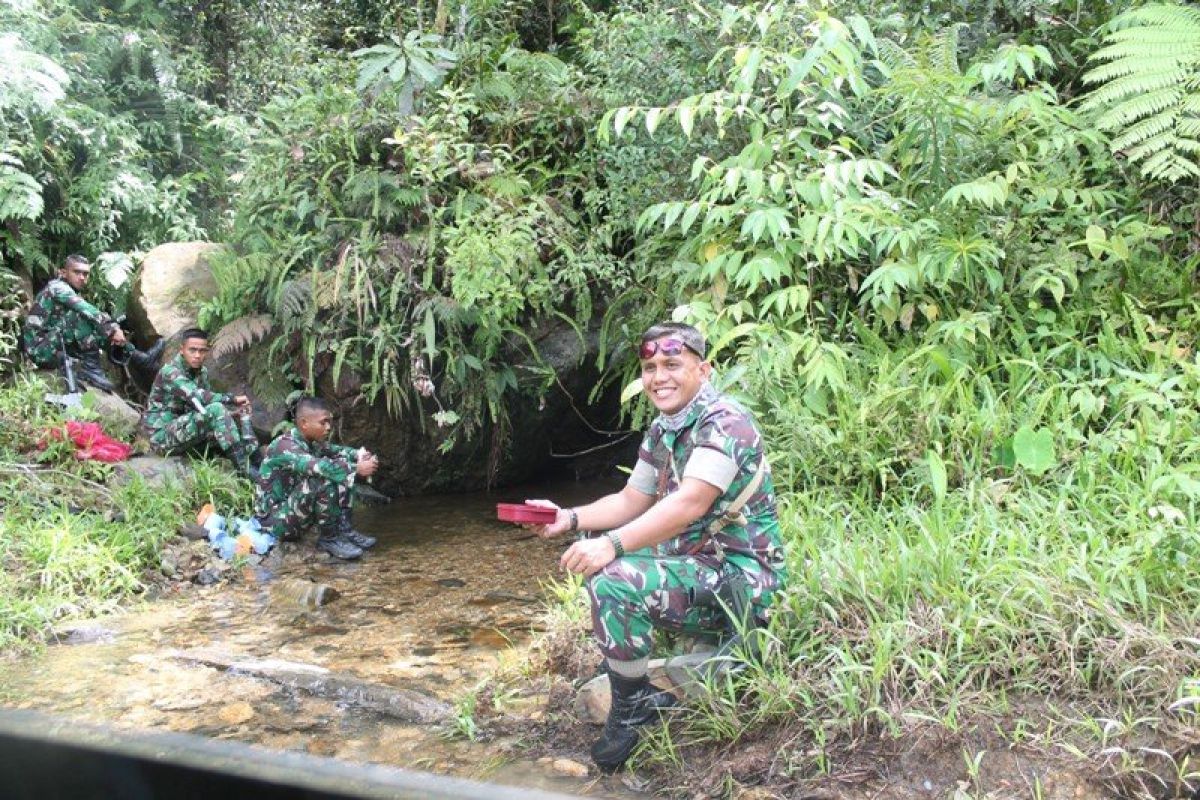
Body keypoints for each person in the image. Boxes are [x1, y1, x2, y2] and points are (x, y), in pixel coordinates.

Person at [528, 321, 788, 773]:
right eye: (650, 367)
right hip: (700, 568)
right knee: (607, 562)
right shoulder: (665, 429)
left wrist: (611, 545)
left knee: (613, 575)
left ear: (703, 370)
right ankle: (637, 690)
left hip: (742, 584)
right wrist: (567, 518)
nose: (658, 377)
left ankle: (631, 708)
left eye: (672, 364)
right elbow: (632, 500)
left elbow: (690, 502)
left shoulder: (725, 422)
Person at [253, 396, 380, 560]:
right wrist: (357, 469)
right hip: (274, 521)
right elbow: (318, 467)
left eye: (329, 422)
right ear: (304, 423)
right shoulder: (285, 446)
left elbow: (336, 451)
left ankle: (344, 530)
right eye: (323, 423)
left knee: (340, 465)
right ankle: (329, 538)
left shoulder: (311, 441)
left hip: (293, 510)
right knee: (324, 476)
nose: (328, 428)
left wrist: (359, 455)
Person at [22, 254, 163, 392]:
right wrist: (113, 328)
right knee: (84, 318)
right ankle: (91, 369)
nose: (82, 277)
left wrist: (111, 326)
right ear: (63, 273)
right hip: (40, 350)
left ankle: (140, 359)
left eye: (85, 274)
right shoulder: (57, 288)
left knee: (97, 322)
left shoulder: (68, 290)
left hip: (55, 346)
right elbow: (83, 308)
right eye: (77, 272)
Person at [142, 328, 258, 474]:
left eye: (202, 351)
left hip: (185, 430)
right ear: (182, 350)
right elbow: (198, 395)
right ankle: (244, 471)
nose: (197, 355)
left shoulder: (201, 373)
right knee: (218, 411)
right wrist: (232, 399)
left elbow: (205, 407)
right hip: (162, 437)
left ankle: (257, 463)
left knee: (232, 418)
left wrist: (234, 414)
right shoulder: (170, 372)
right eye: (192, 350)